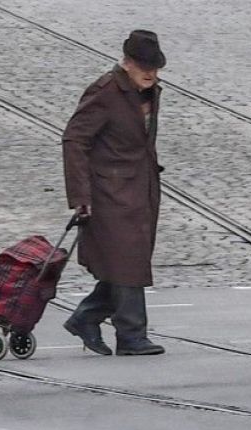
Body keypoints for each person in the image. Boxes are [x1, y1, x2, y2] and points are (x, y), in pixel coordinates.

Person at [61, 29, 168, 357]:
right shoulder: (105, 91)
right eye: (144, 66)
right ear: (127, 62)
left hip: (140, 188)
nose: (150, 73)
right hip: (109, 192)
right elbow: (74, 139)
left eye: (154, 67)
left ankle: (86, 317)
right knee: (128, 259)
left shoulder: (147, 91)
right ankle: (132, 335)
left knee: (126, 261)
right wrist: (80, 196)